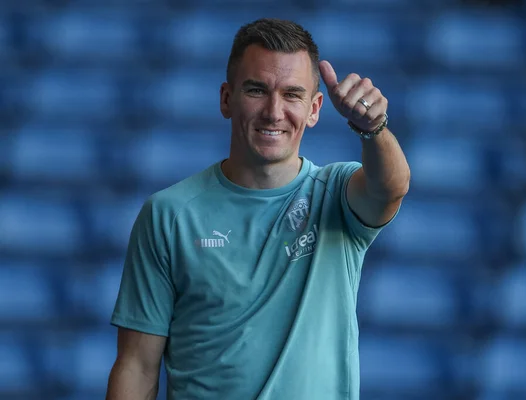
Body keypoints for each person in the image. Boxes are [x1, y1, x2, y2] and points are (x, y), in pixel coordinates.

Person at [106, 17, 410, 400]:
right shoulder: (169, 214)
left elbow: (391, 187)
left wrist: (374, 128)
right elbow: (137, 365)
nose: (273, 111)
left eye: (292, 94)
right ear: (226, 99)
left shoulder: (336, 195)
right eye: (256, 90)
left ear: (315, 109)